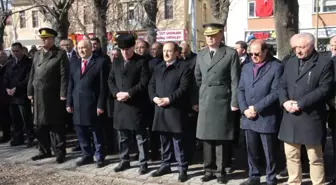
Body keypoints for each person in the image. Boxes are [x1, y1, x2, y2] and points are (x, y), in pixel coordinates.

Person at [278, 33, 333, 185]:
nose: (298, 51)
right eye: (296, 48)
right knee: (291, 155)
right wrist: (284, 101)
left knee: (315, 157)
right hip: (290, 117)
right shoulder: (290, 62)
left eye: (302, 47)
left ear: (312, 45)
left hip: (311, 117)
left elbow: (324, 89)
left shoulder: (324, 63)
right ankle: (294, 181)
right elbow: (281, 85)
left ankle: (318, 182)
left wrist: (300, 103)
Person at [195, 23, 241, 184]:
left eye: (213, 35)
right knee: (206, 137)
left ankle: (221, 171)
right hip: (206, 99)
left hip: (222, 100)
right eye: (207, 36)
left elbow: (235, 80)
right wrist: (198, 100)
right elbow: (197, 78)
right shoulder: (201, 55)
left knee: (221, 137)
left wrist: (234, 101)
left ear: (221, 35)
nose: (210, 38)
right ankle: (208, 169)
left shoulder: (230, 53)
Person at [238, 39, 283, 185]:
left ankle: (271, 178)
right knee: (251, 150)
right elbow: (241, 89)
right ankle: (254, 175)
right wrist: (244, 108)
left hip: (266, 115)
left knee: (269, 151)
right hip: (248, 117)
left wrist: (257, 108)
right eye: (251, 54)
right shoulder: (246, 67)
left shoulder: (276, 67)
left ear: (265, 51)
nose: (253, 57)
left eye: (257, 53)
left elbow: (276, 92)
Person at [148, 41, 191, 182]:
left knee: (178, 141)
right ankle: (165, 164)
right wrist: (154, 98)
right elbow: (151, 85)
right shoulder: (158, 67)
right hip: (160, 109)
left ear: (176, 52)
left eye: (170, 51)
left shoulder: (183, 67)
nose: (166, 54)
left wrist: (169, 99)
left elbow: (184, 88)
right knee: (164, 140)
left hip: (175, 109)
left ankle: (182, 168)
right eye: (165, 51)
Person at [108, 34, 150, 175]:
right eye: (122, 49)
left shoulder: (142, 62)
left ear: (133, 47)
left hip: (136, 104)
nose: (125, 52)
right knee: (123, 136)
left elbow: (143, 82)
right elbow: (111, 80)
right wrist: (116, 93)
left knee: (140, 136)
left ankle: (143, 162)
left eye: (128, 49)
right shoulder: (117, 62)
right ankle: (124, 160)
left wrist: (129, 93)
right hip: (120, 105)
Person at [27, 28, 69, 164]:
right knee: (40, 125)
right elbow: (32, 74)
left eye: (46, 38)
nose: (43, 40)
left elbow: (64, 76)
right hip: (38, 95)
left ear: (52, 39)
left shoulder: (59, 54)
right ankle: (44, 151)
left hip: (53, 96)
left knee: (55, 125)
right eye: (42, 38)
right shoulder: (37, 54)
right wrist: (29, 91)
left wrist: (63, 93)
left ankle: (60, 152)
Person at [66, 39, 109, 168]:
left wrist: (101, 105)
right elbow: (71, 84)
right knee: (81, 131)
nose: (82, 51)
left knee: (96, 132)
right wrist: (69, 102)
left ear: (91, 48)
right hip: (78, 103)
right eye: (79, 48)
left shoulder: (100, 62)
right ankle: (86, 155)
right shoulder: (74, 63)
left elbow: (103, 87)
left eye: (84, 48)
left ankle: (100, 156)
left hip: (93, 104)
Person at [4, 42, 34, 147]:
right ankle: (18, 137)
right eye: (13, 51)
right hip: (11, 95)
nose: (15, 53)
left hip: (22, 94)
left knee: (26, 117)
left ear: (21, 50)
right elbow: (6, 77)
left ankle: (30, 137)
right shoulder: (10, 62)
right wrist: (7, 88)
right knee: (15, 118)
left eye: (17, 51)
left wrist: (16, 88)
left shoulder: (28, 62)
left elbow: (28, 78)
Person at [0, 51, 11, 143]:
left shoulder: (9, 66)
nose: (1, 58)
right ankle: (5, 134)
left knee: (8, 117)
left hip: (8, 95)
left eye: (2, 56)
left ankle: (9, 134)